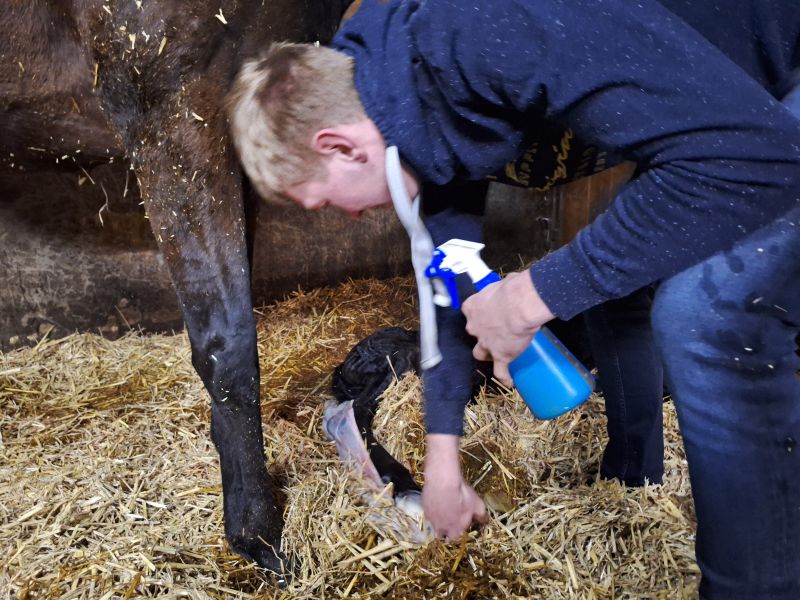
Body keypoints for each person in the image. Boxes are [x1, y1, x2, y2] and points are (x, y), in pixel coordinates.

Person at [227, 1, 800, 597]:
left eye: (323, 200)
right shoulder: (414, 121)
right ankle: (636, 480)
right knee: (620, 285)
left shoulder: (485, 29)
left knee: (707, 317)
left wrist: (531, 296)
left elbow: (751, 156)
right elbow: (448, 293)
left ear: (342, 146)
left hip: (773, 89)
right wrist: (442, 465)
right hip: (728, 106)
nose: (344, 216)